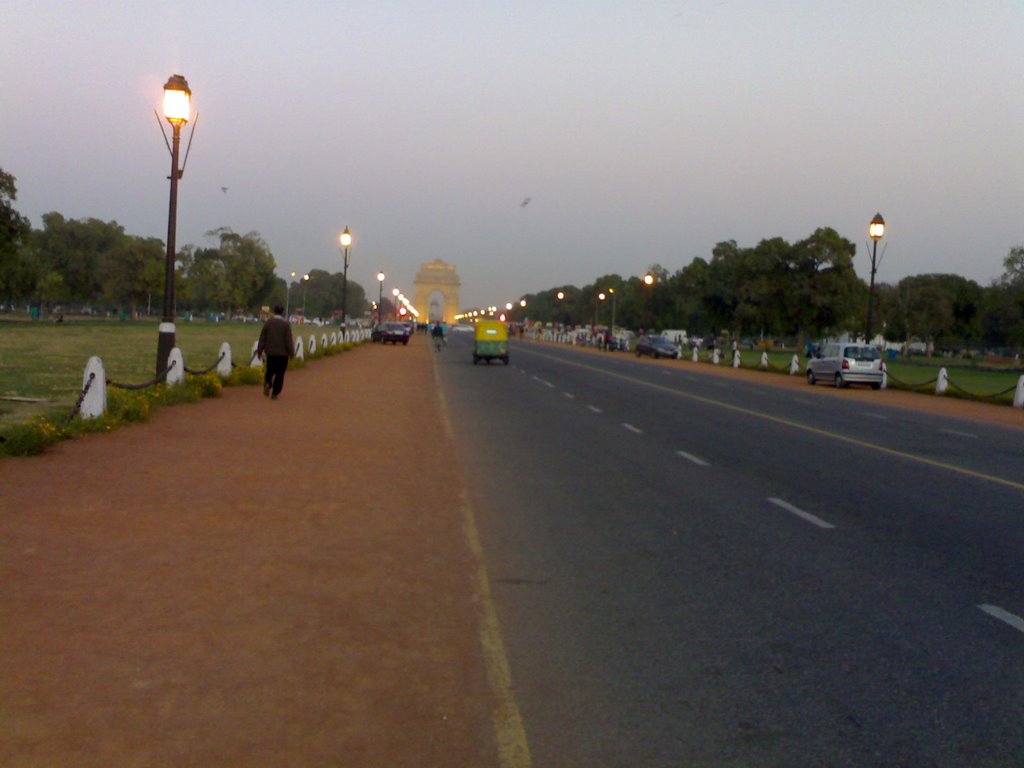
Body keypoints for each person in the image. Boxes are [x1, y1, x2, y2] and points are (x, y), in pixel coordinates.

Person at [257, 304, 295, 400]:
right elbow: (288, 340)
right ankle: (275, 393)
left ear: (274, 311)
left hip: (271, 353)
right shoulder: (286, 324)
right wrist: (291, 353)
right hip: (282, 355)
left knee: (269, 371)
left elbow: (262, 338)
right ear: (282, 312)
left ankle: (268, 383)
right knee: (280, 374)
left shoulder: (268, 323)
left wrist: (260, 351)